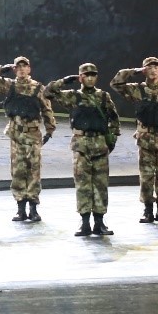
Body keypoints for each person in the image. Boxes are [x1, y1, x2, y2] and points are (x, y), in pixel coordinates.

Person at [44, 63, 120, 236]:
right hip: (81, 146)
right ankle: (85, 223)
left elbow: (114, 119)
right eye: (86, 75)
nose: (90, 78)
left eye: (93, 75)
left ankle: (99, 223)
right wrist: (64, 81)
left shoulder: (103, 97)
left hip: (100, 145)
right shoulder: (73, 96)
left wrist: (112, 140)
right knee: (83, 185)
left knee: (100, 185)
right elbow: (47, 93)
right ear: (80, 78)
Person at [0, 56, 56, 222]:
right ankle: (20, 208)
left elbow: (47, 109)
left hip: (33, 134)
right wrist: (2, 69)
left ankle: (33, 208)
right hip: (16, 135)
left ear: (29, 69)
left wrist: (50, 130)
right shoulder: (10, 86)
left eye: (24, 66)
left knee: (34, 171)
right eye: (18, 67)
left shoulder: (38, 88)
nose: (21, 69)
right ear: (14, 69)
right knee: (18, 171)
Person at [110, 56, 158, 223]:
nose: (153, 70)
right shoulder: (138, 90)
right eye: (149, 67)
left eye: (156, 67)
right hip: (145, 138)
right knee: (146, 176)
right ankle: (148, 209)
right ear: (144, 70)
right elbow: (116, 83)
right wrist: (133, 71)